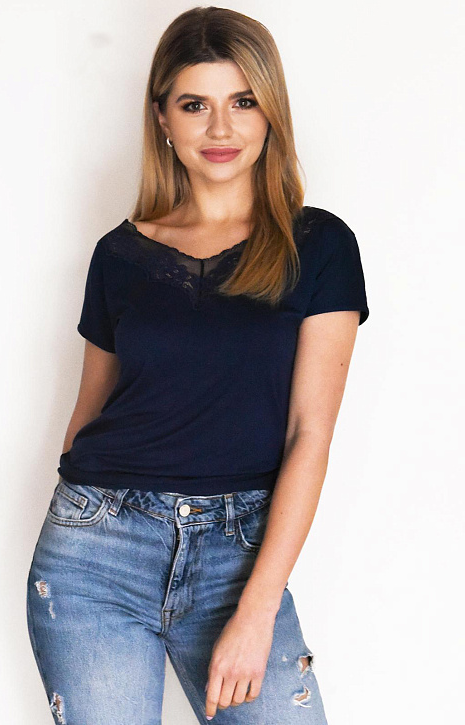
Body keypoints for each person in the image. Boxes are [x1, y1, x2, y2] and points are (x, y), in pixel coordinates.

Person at [26, 6, 369, 724]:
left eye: (243, 102)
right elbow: (90, 410)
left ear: (271, 113)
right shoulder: (119, 254)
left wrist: (257, 608)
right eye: (194, 105)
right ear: (162, 117)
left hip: (237, 554)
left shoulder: (318, 246)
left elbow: (309, 434)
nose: (221, 128)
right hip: (96, 550)